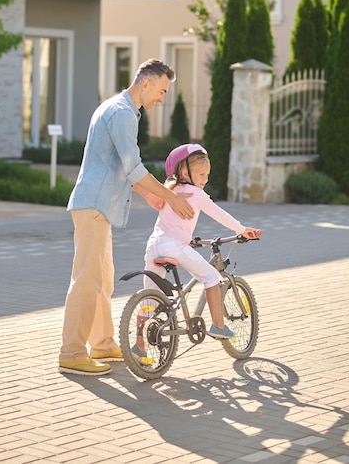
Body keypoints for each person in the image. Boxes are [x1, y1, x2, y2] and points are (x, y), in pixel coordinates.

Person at [58, 59, 194, 376]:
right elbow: (133, 166)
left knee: (102, 280)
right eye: (161, 90)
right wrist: (169, 195)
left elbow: (119, 165)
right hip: (94, 206)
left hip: (97, 207)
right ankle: (72, 351)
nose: (162, 99)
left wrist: (147, 193)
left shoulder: (119, 108)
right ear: (145, 83)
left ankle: (103, 344)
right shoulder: (121, 113)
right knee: (87, 280)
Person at [139, 143, 261, 347]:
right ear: (185, 172)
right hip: (174, 247)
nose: (206, 179)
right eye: (202, 174)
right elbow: (219, 214)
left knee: (148, 299)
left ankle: (138, 347)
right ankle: (218, 325)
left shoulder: (171, 190)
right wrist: (241, 229)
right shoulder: (196, 194)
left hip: (154, 245)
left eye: (207, 174)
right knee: (211, 276)